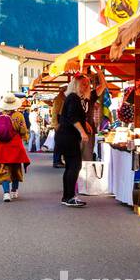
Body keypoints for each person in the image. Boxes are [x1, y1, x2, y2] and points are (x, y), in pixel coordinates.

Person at [56, 74, 92, 207]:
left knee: (71, 166)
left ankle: (67, 196)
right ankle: (69, 196)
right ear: (76, 85)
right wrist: (82, 132)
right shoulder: (73, 98)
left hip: (65, 136)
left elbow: (74, 116)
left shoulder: (74, 98)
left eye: (87, 84)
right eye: (83, 84)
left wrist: (85, 123)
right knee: (75, 165)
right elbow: (72, 117)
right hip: (68, 136)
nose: (86, 87)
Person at [0, 94, 31, 201]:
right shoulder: (19, 115)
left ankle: (6, 193)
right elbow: (23, 130)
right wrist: (25, 138)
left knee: (3, 168)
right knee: (15, 168)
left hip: (2, 145)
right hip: (15, 145)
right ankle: (14, 191)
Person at [51, 85, 67, 168]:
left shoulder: (63, 98)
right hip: (59, 121)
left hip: (61, 121)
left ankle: (58, 160)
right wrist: (56, 124)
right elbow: (54, 112)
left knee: (61, 143)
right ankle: (56, 161)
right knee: (58, 143)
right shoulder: (59, 99)